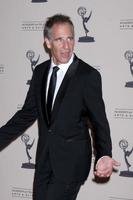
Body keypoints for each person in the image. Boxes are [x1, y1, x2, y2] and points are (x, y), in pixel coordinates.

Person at [0, 14, 120, 200]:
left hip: (71, 163)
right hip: (44, 160)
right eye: (59, 40)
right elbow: (26, 114)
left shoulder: (87, 76)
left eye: (70, 38)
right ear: (48, 42)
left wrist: (104, 154)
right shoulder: (40, 72)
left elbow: (99, 121)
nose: (66, 46)